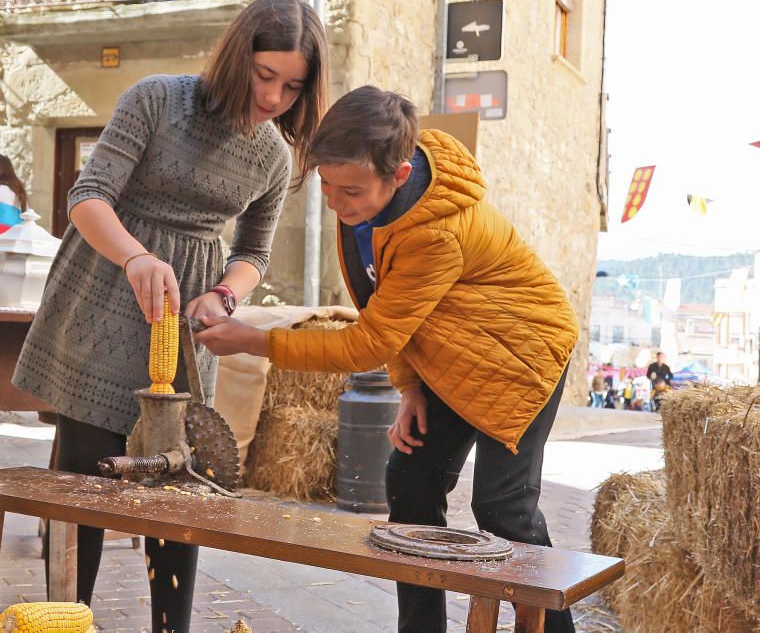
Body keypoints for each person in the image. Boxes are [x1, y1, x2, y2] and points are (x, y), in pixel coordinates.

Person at [194, 86, 578, 633]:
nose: (335, 202)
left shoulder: (434, 233)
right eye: (325, 185)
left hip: (520, 354)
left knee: (504, 508)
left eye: (348, 190)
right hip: (453, 351)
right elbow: (383, 302)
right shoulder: (365, 197)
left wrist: (254, 339)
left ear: (398, 175)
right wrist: (410, 387)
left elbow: (366, 341)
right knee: (412, 482)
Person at [12, 0, 328, 633]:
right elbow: (89, 195)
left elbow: (252, 254)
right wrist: (134, 257)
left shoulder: (272, 154)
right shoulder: (157, 98)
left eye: (292, 88)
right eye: (265, 76)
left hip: (183, 323)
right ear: (239, 57)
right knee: (86, 478)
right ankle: (66, 617)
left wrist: (224, 296)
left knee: (182, 477)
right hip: (105, 285)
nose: (273, 98)